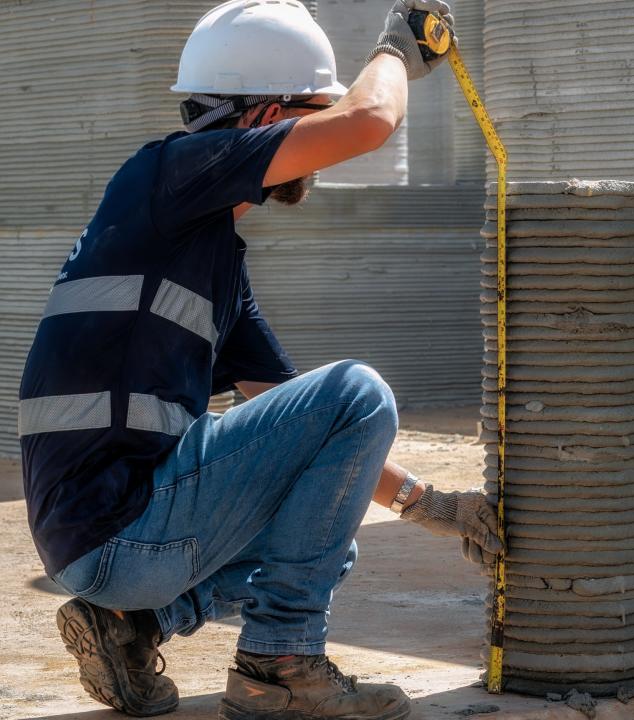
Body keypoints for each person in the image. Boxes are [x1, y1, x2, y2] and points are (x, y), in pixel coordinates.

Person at [18, 1, 501, 719]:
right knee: (360, 390)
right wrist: (397, 46)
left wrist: (435, 508)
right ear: (266, 117)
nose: (322, 151)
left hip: (101, 545)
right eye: (312, 119)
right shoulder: (172, 172)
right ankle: (279, 664)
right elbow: (372, 121)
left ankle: (132, 627)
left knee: (323, 532)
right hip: (118, 531)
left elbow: (308, 421)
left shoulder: (204, 247)